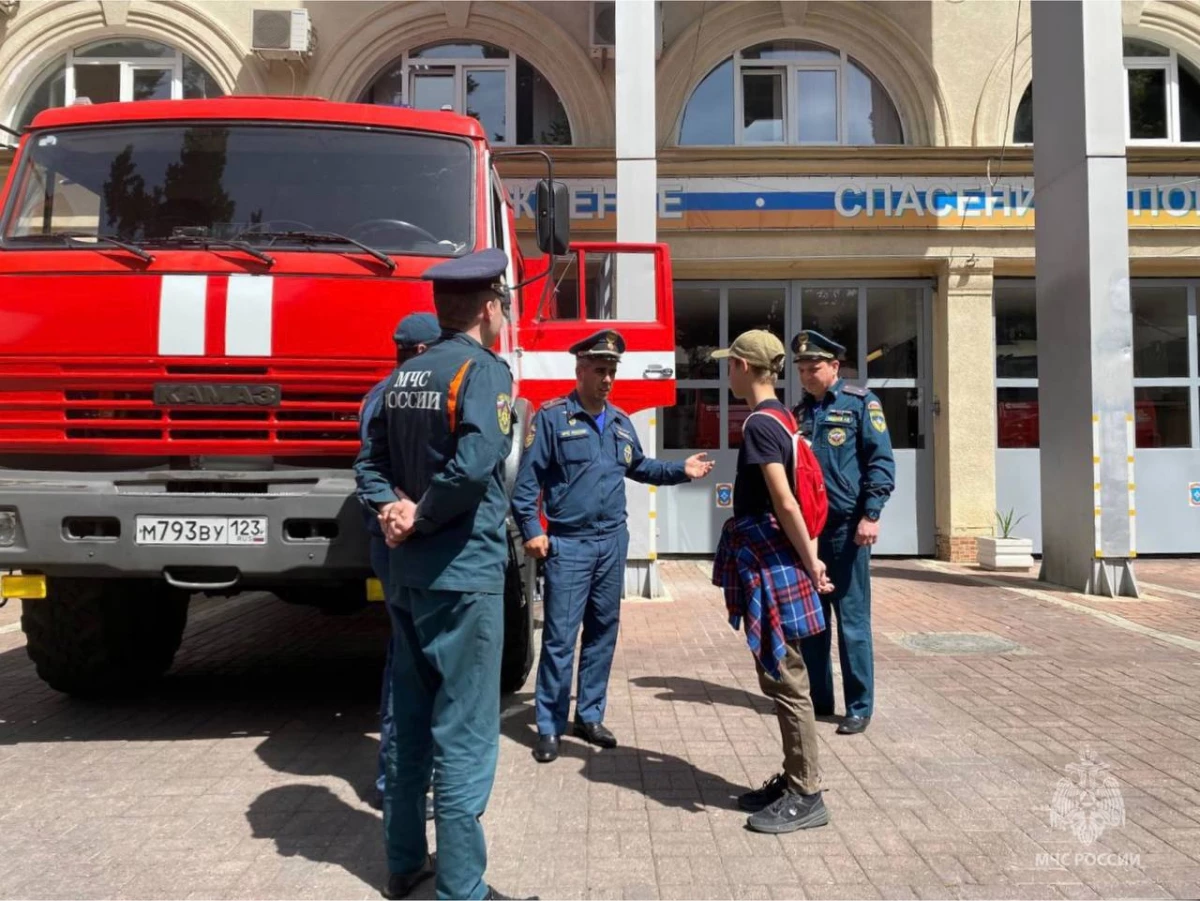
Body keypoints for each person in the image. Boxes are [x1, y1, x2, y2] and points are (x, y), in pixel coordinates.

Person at [354, 248, 523, 901]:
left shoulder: (403, 378)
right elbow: (479, 460)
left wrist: (392, 509)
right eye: (503, 303)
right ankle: (462, 887)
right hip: (463, 578)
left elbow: (366, 466)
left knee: (412, 720)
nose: (504, 313)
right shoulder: (484, 371)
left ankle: (404, 863)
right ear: (488, 308)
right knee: (466, 733)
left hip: (406, 579)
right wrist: (420, 513)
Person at [511, 329, 715, 764]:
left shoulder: (621, 422)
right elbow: (526, 484)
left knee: (603, 633)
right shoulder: (552, 418)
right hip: (569, 544)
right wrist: (532, 528)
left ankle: (589, 714)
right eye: (599, 370)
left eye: (612, 372)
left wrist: (681, 470)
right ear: (580, 369)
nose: (607, 379)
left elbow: (639, 467)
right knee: (561, 638)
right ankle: (548, 725)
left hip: (611, 543)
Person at [709, 329, 832, 834]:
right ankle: (795, 778)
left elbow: (785, 500)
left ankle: (806, 793)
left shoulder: (761, 424)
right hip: (779, 552)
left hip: (772, 555)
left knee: (785, 676)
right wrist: (811, 553)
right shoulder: (783, 416)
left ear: (742, 366)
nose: (726, 372)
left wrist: (812, 561)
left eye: (729, 364)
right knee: (782, 672)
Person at [791, 329, 895, 736]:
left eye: (813, 367)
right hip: (810, 533)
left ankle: (859, 706)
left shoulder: (859, 404)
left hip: (848, 530)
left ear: (834, 367)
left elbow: (880, 462)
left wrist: (872, 514)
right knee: (814, 622)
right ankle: (820, 699)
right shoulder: (800, 413)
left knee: (851, 621)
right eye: (800, 368)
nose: (805, 374)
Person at [357, 312, 441, 815]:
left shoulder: (379, 394)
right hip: (402, 541)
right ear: (422, 354)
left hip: (393, 537)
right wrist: (403, 512)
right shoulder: (399, 395)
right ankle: (398, 783)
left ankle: (406, 777)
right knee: (411, 660)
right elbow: (378, 470)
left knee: (410, 657)